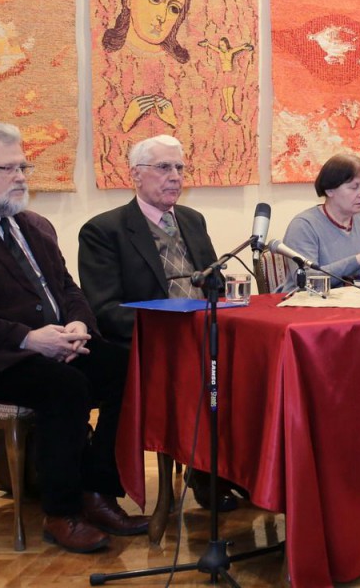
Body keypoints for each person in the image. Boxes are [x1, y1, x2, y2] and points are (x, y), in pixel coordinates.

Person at [0, 123, 148, 553]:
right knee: (65, 387)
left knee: (125, 369)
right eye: (8, 168)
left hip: (50, 347)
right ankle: (61, 513)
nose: (21, 176)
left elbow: (68, 290)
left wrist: (79, 326)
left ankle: (97, 491)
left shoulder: (34, 225)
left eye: (23, 166)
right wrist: (27, 339)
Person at [77, 135, 241, 512]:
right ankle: (100, 490)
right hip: (143, 342)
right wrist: (172, 327)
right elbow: (105, 310)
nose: (175, 176)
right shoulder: (104, 230)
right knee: (123, 380)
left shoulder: (192, 220)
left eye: (180, 168)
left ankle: (217, 472)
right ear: (135, 175)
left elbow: (212, 285)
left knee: (249, 366)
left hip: (200, 336)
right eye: (164, 167)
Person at [279, 154, 360, 290]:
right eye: (354, 187)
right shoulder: (304, 225)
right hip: (309, 301)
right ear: (330, 190)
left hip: (359, 299)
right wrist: (358, 259)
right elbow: (308, 281)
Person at [102, 0, 193, 134]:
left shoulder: (183, 70)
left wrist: (173, 121)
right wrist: (127, 121)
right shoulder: (106, 61)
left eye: (174, 8)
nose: (162, 16)